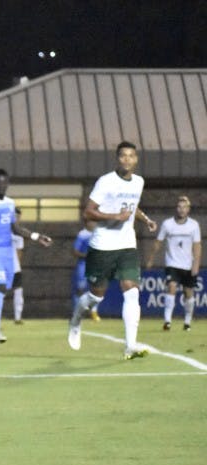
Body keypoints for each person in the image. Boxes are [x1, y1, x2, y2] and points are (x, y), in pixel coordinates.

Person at [68, 141, 157, 358]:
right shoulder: (105, 182)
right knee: (96, 297)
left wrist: (146, 220)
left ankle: (130, 345)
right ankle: (76, 319)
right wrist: (114, 216)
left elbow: (132, 206)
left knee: (132, 292)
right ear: (117, 159)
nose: (127, 159)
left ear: (136, 159)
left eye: (131, 156)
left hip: (127, 245)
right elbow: (88, 213)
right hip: (103, 246)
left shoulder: (139, 182)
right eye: (123, 156)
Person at [0, 169, 52, 342]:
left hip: (8, 253)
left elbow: (15, 229)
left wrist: (37, 237)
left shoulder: (10, 203)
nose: (2, 185)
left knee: (3, 290)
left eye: (4, 182)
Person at [145, 195, 201, 331]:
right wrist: (151, 259)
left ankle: (187, 322)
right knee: (171, 287)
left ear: (188, 209)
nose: (182, 210)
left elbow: (197, 245)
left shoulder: (194, 225)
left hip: (188, 264)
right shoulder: (167, 224)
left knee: (188, 293)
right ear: (176, 208)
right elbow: (158, 242)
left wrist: (196, 264)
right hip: (172, 263)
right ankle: (167, 321)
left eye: (184, 207)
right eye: (179, 207)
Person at [72, 218, 102, 321]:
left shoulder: (98, 233)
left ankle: (93, 312)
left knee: (96, 289)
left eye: (95, 221)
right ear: (87, 222)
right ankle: (78, 312)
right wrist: (86, 255)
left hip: (95, 265)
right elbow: (75, 251)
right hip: (83, 265)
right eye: (92, 221)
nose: (94, 223)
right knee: (80, 289)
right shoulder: (82, 234)